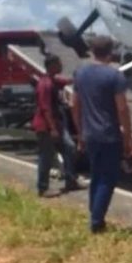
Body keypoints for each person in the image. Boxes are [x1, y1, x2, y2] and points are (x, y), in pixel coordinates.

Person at [72, 36, 132, 233]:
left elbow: (75, 104)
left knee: (96, 175)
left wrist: (80, 132)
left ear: (92, 50)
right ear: (110, 52)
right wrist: (128, 136)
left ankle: (94, 213)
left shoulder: (80, 74)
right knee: (108, 178)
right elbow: (122, 109)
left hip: (90, 134)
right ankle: (97, 221)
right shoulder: (115, 76)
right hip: (109, 134)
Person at [32, 54, 82, 197]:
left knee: (70, 148)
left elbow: (66, 81)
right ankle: (43, 188)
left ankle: (71, 180)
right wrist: (52, 128)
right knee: (46, 156)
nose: (61, 66)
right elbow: (45, 108)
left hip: (56, 125)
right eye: (59, 63)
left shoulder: (53, 81)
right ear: (52, 65)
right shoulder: (45, 85)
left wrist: (79, 77)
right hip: (46, 126)